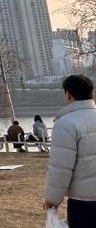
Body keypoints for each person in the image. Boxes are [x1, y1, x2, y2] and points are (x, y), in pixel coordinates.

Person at [44, 74, 96, 225]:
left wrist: (53, 199)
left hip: (84, 203)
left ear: (68, 94)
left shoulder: (66, 124)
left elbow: (61, 168)